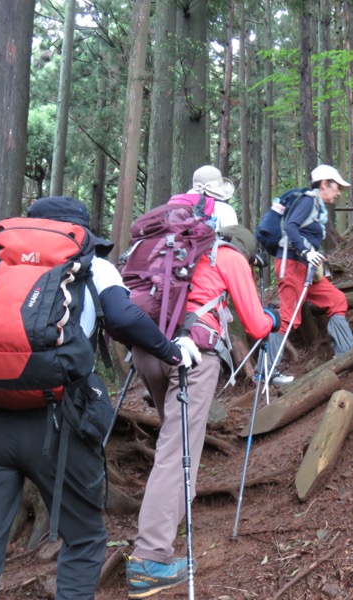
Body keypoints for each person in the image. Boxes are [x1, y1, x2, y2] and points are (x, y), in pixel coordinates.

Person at [0, 196, 200, 600]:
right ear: (82, 233)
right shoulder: (95, 265)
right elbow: (125, 318)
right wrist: (172, 351)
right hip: (60, 420)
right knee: (85, 537)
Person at [125, 169, 279, 599]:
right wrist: (274, 318)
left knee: (175, 447)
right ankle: (151, 559)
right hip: (195, 354)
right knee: (178, 452)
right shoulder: (225, 255)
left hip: (148, 348)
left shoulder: (170, 250)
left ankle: (164, 533)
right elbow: (255, 323)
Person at [267, 164, 353, 378]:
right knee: (289, 319)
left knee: (336, 300)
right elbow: (290, 227)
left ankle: (345, 355)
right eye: (336, 188)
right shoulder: (308, 200)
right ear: (324, 184)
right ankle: (267, 371)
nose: (338, 193)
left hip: (306, 269)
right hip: (292, 265)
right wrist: (306, 252)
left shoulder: (316, 206)